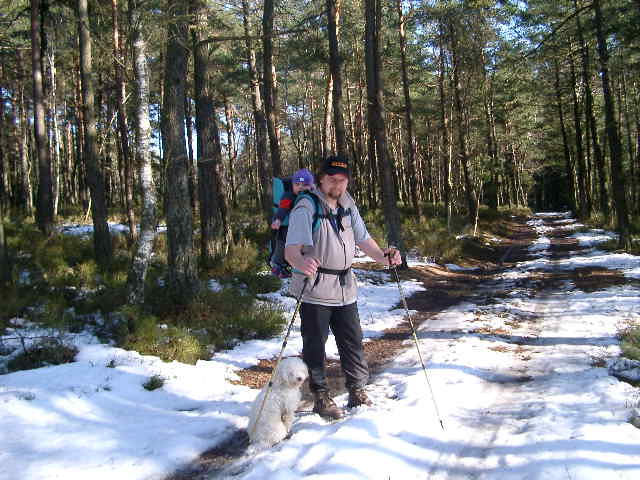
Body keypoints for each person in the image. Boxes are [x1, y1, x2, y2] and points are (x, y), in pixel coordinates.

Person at [285, 155, 401, 420]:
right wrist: (301, 263)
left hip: (345, 287)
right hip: (315, 288)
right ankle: (320, 396)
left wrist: (384, 257)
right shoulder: (306, 206)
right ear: (321, 180)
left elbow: (364, 239)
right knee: (315, 345)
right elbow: (291, 250)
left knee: (352, 341)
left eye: (342, 179)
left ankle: (357, 390)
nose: (337, 184)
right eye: (332, 179)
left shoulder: (348, 204)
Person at [270, 168, 315, 278]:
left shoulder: (313, 196)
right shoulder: (289, 196)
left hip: (305, 225)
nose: (300, 187)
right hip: (288, 226)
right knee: (283, 242)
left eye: (305, 185)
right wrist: (278, 220)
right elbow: (283, 208)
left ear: (311, 186)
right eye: (297, 184)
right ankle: (277, 265)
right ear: (293, 185)